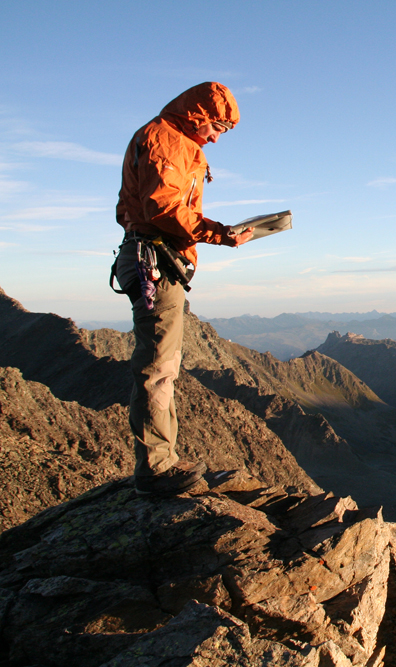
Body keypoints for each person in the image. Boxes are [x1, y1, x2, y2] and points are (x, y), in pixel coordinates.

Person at [113, 82, 253, 496]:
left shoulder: (175, 142)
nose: (215, 138)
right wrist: (218, 233)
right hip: (153, 258)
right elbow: (163, 206)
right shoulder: (166, 140)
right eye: (216, 128)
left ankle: (163, 460)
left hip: (155, 257)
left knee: (164, 363)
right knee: (158, 365)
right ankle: (155, 469)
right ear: (198, 115)